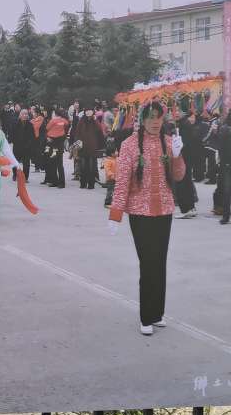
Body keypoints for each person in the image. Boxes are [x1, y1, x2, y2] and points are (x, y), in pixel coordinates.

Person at [107, 101, 185, 336]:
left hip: (164, 211)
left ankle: (157, 313)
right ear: (143, 120)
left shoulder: (169, 142)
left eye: (158, 118)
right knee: (148, 262)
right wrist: (115, 215)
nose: (154, 122)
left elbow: (178, 176)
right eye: (150, 117)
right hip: (140, 213)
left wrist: (178, 156)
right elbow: (122, 182)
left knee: (160, 262)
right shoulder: (129, 145)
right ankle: (146, 316)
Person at [74, 106, 105, 189]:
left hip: (93, 147)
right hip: (83, 147)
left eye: (90, 112)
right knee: (83, 166)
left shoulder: (95, 121)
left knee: (92, 167)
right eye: (87, 112)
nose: (88, 114)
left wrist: (95, 120)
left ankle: (91, 183)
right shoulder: (81, 121)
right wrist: (77, 143)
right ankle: (83, 183)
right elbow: (77, 133)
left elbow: (99, 130)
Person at [44, 108, 69, 188]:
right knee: (60, 164)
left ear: (55, 114)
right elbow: (67, 126)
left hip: (52, 142)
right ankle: (62, 183)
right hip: (60, 143)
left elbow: (47, 128)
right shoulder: (64, 121)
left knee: (53, 162)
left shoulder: (53, 121)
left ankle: (54, 181)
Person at [11, 108, 36, 181]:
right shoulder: (15, 123)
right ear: (20, 115)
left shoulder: (30, 125)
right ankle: (15, 174)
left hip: (27, 147)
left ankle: (25, 177)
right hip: (17, 146)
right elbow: (12, 134)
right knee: (15, 161)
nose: (25, 115)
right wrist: (14, 142)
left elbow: (32, 136)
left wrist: (29, 145)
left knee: (26, 163)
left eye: (26, 114)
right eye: (23, 114)